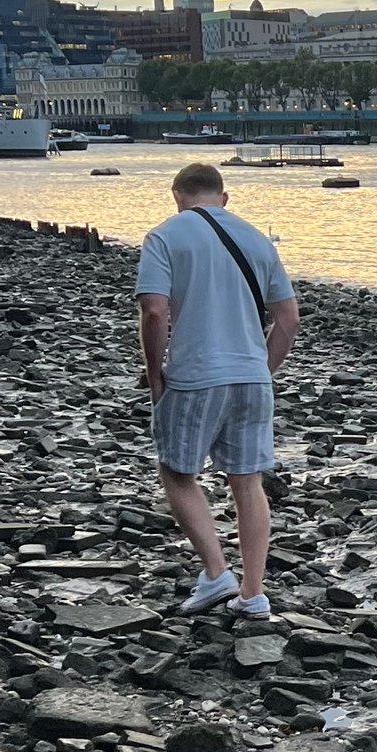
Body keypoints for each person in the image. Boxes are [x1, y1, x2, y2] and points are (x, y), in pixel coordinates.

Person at [135, 162, 301, 618]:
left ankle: (215, 573)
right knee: (247, 481)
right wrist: (262, 369)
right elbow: (288, 319)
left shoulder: (165, 236)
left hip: (196, 375)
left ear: (177, 197)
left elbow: (154, 312)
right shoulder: (256, 239)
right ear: (223, 198)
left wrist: (155, 374)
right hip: (251, 376)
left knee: (177, 473)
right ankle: (253, 593)